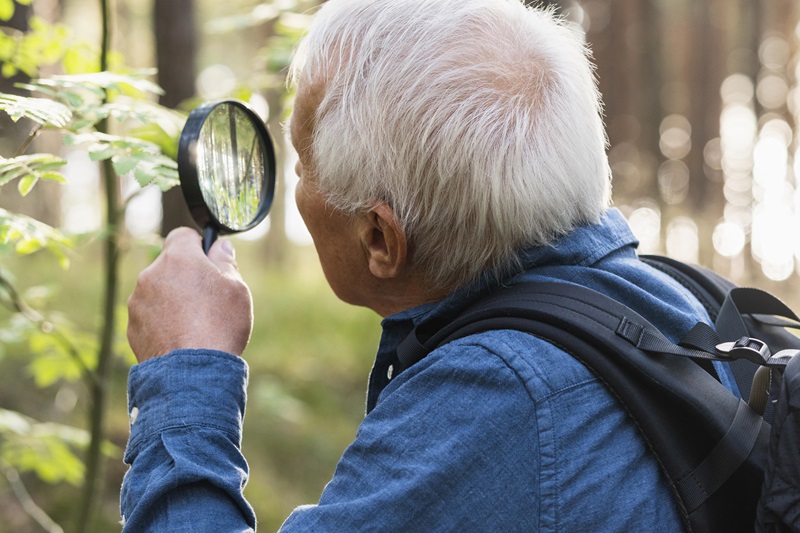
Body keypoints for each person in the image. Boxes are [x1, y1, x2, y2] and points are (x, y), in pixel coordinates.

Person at [122, 0, 740, 530]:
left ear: (380, 240)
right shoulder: (675, 301)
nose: (297, 184)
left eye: (303, 166)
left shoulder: (499, 402)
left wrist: (186, 371)